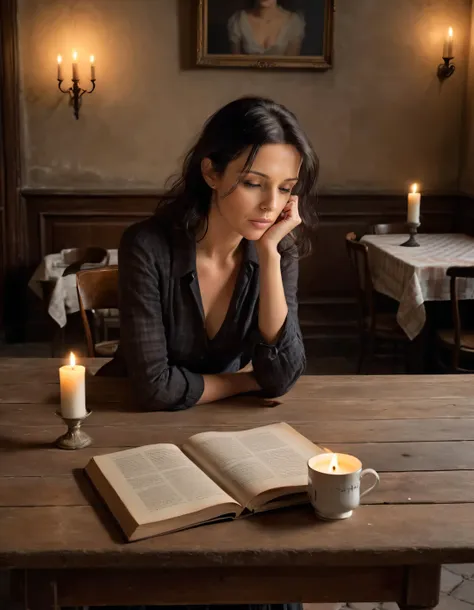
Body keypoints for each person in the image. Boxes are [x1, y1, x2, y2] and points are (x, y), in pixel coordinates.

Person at [94, 96, 318, 610]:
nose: (270, 205)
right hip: (130, 429)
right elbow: (153, 387)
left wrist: (267, 253)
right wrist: (245, 382)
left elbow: (281, 375)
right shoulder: (147, 246)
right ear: (212, 173)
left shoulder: (276, 249)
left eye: (286, 188)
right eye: (254, 182)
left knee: (269, 582)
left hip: (219, 436)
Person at [228, 1, 305, 56]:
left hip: (283, 78)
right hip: (246, 78)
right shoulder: (239, 20)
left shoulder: (292, 22)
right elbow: (236, 66)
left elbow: (292, 68)